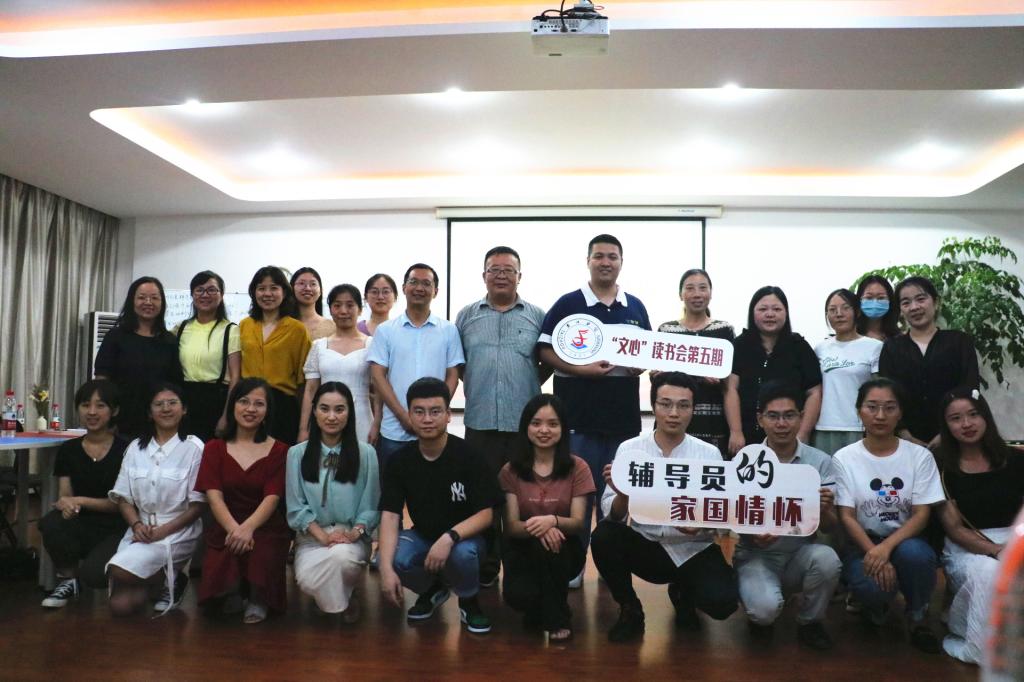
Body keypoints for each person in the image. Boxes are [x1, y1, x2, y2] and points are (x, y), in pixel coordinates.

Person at [591, 372, 737, 642]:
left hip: (693, 548)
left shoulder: (709, 454)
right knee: (604, 536)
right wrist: (624, 494)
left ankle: (683, 594)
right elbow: (613, 515)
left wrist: (701, 525)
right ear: (653, 405)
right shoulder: (630, 449)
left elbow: (721, 514)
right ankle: (630, 608)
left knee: (723, 603)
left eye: (683, 405)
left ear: (693, 409)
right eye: (665, 404)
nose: (674, 413)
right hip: (648, 544)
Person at [537, 234, 652, 574]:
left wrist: (640, 365)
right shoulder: (568, 303)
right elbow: (544, 350)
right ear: (588, 261)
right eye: (599, 256)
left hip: (622, 421)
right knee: (577, 496)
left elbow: (647, 352)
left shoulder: (635, 306)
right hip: (577, 418)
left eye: (612, 256)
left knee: (616, 493)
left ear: (621, 262)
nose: (605, 262)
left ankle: (610, 567)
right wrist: (580, 369)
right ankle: (573, 566)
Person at [377, 378, 502, 634]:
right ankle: (432, 589)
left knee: (463, 554)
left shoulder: (470, 456)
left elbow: (488, 513)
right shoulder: (400, 461)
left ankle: (469, 600)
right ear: (409, 415)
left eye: (435, 411)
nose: (427, 419)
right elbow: (390, 516)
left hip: (466, 539)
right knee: (389, 557)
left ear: (448, 415)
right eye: (419, 412)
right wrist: (385, 569)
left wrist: (449, 537)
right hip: (424, 535)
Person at [456, 246, 547, 587]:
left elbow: (549, 359)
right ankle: (488, 564)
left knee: (525, 499)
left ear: (519, 276)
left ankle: (521, 566)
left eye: (508, 270)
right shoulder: (466, 316)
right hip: (480, 423)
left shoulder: (537, 316)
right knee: (484, 497)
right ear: (484, 275)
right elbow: (459, 363)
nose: (501, 276)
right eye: (494, 269)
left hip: (524, 426)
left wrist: (530, 382)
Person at [833, 378, 945, 653]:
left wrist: (886, 549)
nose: (880, 415)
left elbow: (922, 514)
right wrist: (874, 551)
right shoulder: (844, 458)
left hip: (906, 540)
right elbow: (846, 516)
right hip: (863, 543)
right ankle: (874, 604)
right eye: (872, 407)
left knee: (918, 556)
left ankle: (917, 615)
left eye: (889, 407)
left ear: (900, 413)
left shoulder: (919, 456)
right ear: (859, 411)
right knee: (872, 588)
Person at [733, 382, 841, 650]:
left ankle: (810, 621)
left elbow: (830, 527)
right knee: (764, 612)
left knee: (827, 559)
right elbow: (732, 517)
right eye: (773, 416)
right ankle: (759, 609)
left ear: (801, 417)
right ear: (760, 419)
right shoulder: (745, 460)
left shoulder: (820, 462)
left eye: (789, 415)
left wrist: (824, 509)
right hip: (756, 555)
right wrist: (752, 534)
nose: (781, 424)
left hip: (798, 554)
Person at [934, 387, 1024, 664]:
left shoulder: (1016, 459)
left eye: (973, 414)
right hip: (968, 548)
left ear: (986, 416)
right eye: (956, 418)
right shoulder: (942, 467)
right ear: (946, 426)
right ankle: (976, 640)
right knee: (990, 572)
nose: (967, 424)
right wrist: (996, 550)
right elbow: (954, 529)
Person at [194, 378, 290, 624]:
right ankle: (233, 590)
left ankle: (258, 597)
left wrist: (247, 529)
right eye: (244, 401)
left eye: (259, 404)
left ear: (268, 411)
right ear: (232, 406)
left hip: (264, 525)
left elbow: (272, 497)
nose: (250, 409)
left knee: (262, 552)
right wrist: (235, 530)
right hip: (225, 523)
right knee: (219, 579)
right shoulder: (214, 448)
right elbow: (214, 497)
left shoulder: (280, 450)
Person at [499, 394, 594, 641]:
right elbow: (511, 526)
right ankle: (542, 607)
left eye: (552, 424)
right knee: (518, 596)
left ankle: (557, 618)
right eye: (536, 423)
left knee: (552, 547)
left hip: (564, 547)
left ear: (563, 429)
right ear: (525, 427)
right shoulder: (510, 470)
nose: (544, 430)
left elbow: (577, 523)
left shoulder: (578, 467)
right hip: (522, 546)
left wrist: (553, 521)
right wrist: (542, 527)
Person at [106, 383, 205, 616]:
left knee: (118, 571)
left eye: (172, 403)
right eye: (158, 404)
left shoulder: (194, 448)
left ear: (184, 409)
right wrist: (136, 525)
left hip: (178, 530)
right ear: (150, 412)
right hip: (141, 529)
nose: (166, 409)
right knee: (121, 606)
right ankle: (165, 582)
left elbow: (198, 505)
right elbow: (123, 498)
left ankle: (173, 577)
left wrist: (163, 531)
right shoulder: (135, 448)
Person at [287, 382, 380, 622]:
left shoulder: (366, 453)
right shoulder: (297, 454)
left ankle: (338, 598)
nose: (331, 417)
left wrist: (355, 532)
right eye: (324, 409)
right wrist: (323, 536)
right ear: (314, 411)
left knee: (342, 558)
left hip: (351, 535)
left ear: (350, 413)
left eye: (339, 409)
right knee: (305, 579)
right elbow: (296, 507)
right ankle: (340, 597)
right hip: (312, 536)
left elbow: (371, 505)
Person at [39, 380, 129, 608]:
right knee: (51, 523)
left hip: (117, 527)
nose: (92, 412)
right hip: (81, 523)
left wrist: (78, 500)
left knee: (94, 576)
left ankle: (121, 576)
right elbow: (65, 494)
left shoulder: (128, 450)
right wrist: (67, 504)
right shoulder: (68, 450)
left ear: (115, 411)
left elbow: (121, 504)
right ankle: (69, 580)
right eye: (85, 405)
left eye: (100, 405)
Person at [367, 263, 463, 472]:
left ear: (435, 291)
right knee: (393, 487)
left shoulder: (449, 330)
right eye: (414, 282)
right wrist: (403, 416)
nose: (419, 288)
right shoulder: (386, 331)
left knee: (434, 487)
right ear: (404, 288)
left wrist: (436, 412)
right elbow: (378, 376)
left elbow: (453, 374)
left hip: (435, 430)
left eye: (426, 283)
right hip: (394, 430)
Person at [879, 275, 979, 449]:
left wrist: (946, 433)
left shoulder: (959, 341)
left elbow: (970, 387)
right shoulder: (892, 347)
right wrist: (903, 433)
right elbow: (887, 392)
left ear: (936, 302)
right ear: (900, 310)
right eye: (906, 302)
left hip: (956, 437)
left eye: (921, 299)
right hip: (905, 440)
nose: (914, 307)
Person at [725, 286, 822, 455]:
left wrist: (803, 433)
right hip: (746, 435)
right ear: (752, 312)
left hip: (790, 434)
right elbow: (730, 388)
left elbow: (814, 392)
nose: (770, 314)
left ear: (786, 313)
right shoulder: (739, 345)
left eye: (776, 309)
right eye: (763, 309)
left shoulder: (799, 347)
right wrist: (736, 431)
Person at [658, 268, 737, 455]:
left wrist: (736, 431)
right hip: (673, 419)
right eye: (690, 288)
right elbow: (661, 382)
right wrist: (658, 376)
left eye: (703, 288)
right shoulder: (666, 330)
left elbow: (730, 385)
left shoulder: (724, 330)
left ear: (711, 293)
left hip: (714, 421)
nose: (697, 294)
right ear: (680, 294)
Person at [94, 276, 183, 438]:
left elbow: (175, 383)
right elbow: (102, 381)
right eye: (142, 297)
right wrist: (108, 419)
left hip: (160, 421)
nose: (148, 302)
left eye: (154, 298)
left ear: (162, 303)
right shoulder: (115, 337)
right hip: (121, 421)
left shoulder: (169, 340)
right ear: (132, 301)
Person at [239, 265, 311, 445]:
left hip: (283, 406)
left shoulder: (297, 329)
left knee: (280, 457)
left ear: (284, 292)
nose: (267, 294)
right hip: (248, 405)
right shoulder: (244, 325)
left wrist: (304, 426)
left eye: (274, 288)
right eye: (261, 288)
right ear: (254, 292)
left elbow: (304, 381)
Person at [299, 284, 378, 444]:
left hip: (362, 419)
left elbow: (378, 390)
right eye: (337, 305)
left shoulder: (372, 345)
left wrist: (377, 424)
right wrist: (303, 429)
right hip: (325, 419)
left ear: (360, 309)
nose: (343, 311)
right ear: (330, 309)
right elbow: (310, 390)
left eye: (350, 305)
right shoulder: (319, 346)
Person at [813, 288, 883, 455]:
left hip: (859, 427)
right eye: (832, 310)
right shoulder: (820, 348)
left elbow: (879, 389)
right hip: (825, 426)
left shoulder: (874, 347)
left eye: (845, 308)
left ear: (857, 312)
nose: (839, 314)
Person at [175, 270, 240, 442]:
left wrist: (227, 415)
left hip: (216, 401)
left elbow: (235, 377)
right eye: (199, 290)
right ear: (192, 294)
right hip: (185, 401)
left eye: (212, 290)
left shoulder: (231, 330)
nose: (205, 295)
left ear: (221, 295)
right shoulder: (181, 328)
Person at [291, 267, 336, 341]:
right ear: (292, 288)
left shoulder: (332, 327)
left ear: (320, 291)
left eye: (313, 284)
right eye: (301, 283)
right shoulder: (282, 324)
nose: (307, 288)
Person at [855, 275, 901, 341]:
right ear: (859, 300)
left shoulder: (898, 338)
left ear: (890, 301)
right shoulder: (850, 334)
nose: (875, 303)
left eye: (881, 298)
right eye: (869, 298)